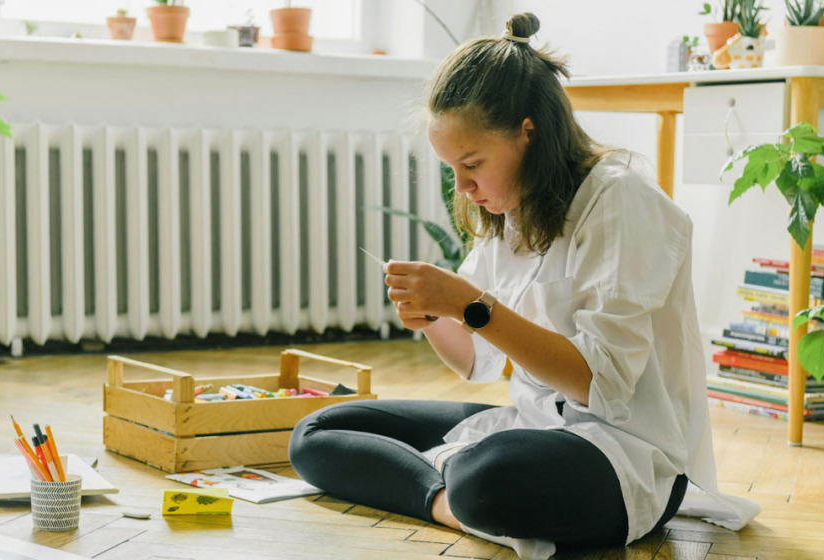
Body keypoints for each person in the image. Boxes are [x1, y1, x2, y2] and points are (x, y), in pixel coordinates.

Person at [289, 12, 760, 556]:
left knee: (489, 477)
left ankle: (453, 490)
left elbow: (597, 384)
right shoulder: (511, 211)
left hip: (624, 450)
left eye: (472, 165)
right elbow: (472, 360)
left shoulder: (619, 200)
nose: (464, 189)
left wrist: (469, 303)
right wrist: (429, 316)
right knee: (318, 433)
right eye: (452, 171)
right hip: (534, 424)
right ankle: (449, 502)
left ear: (528, 133)